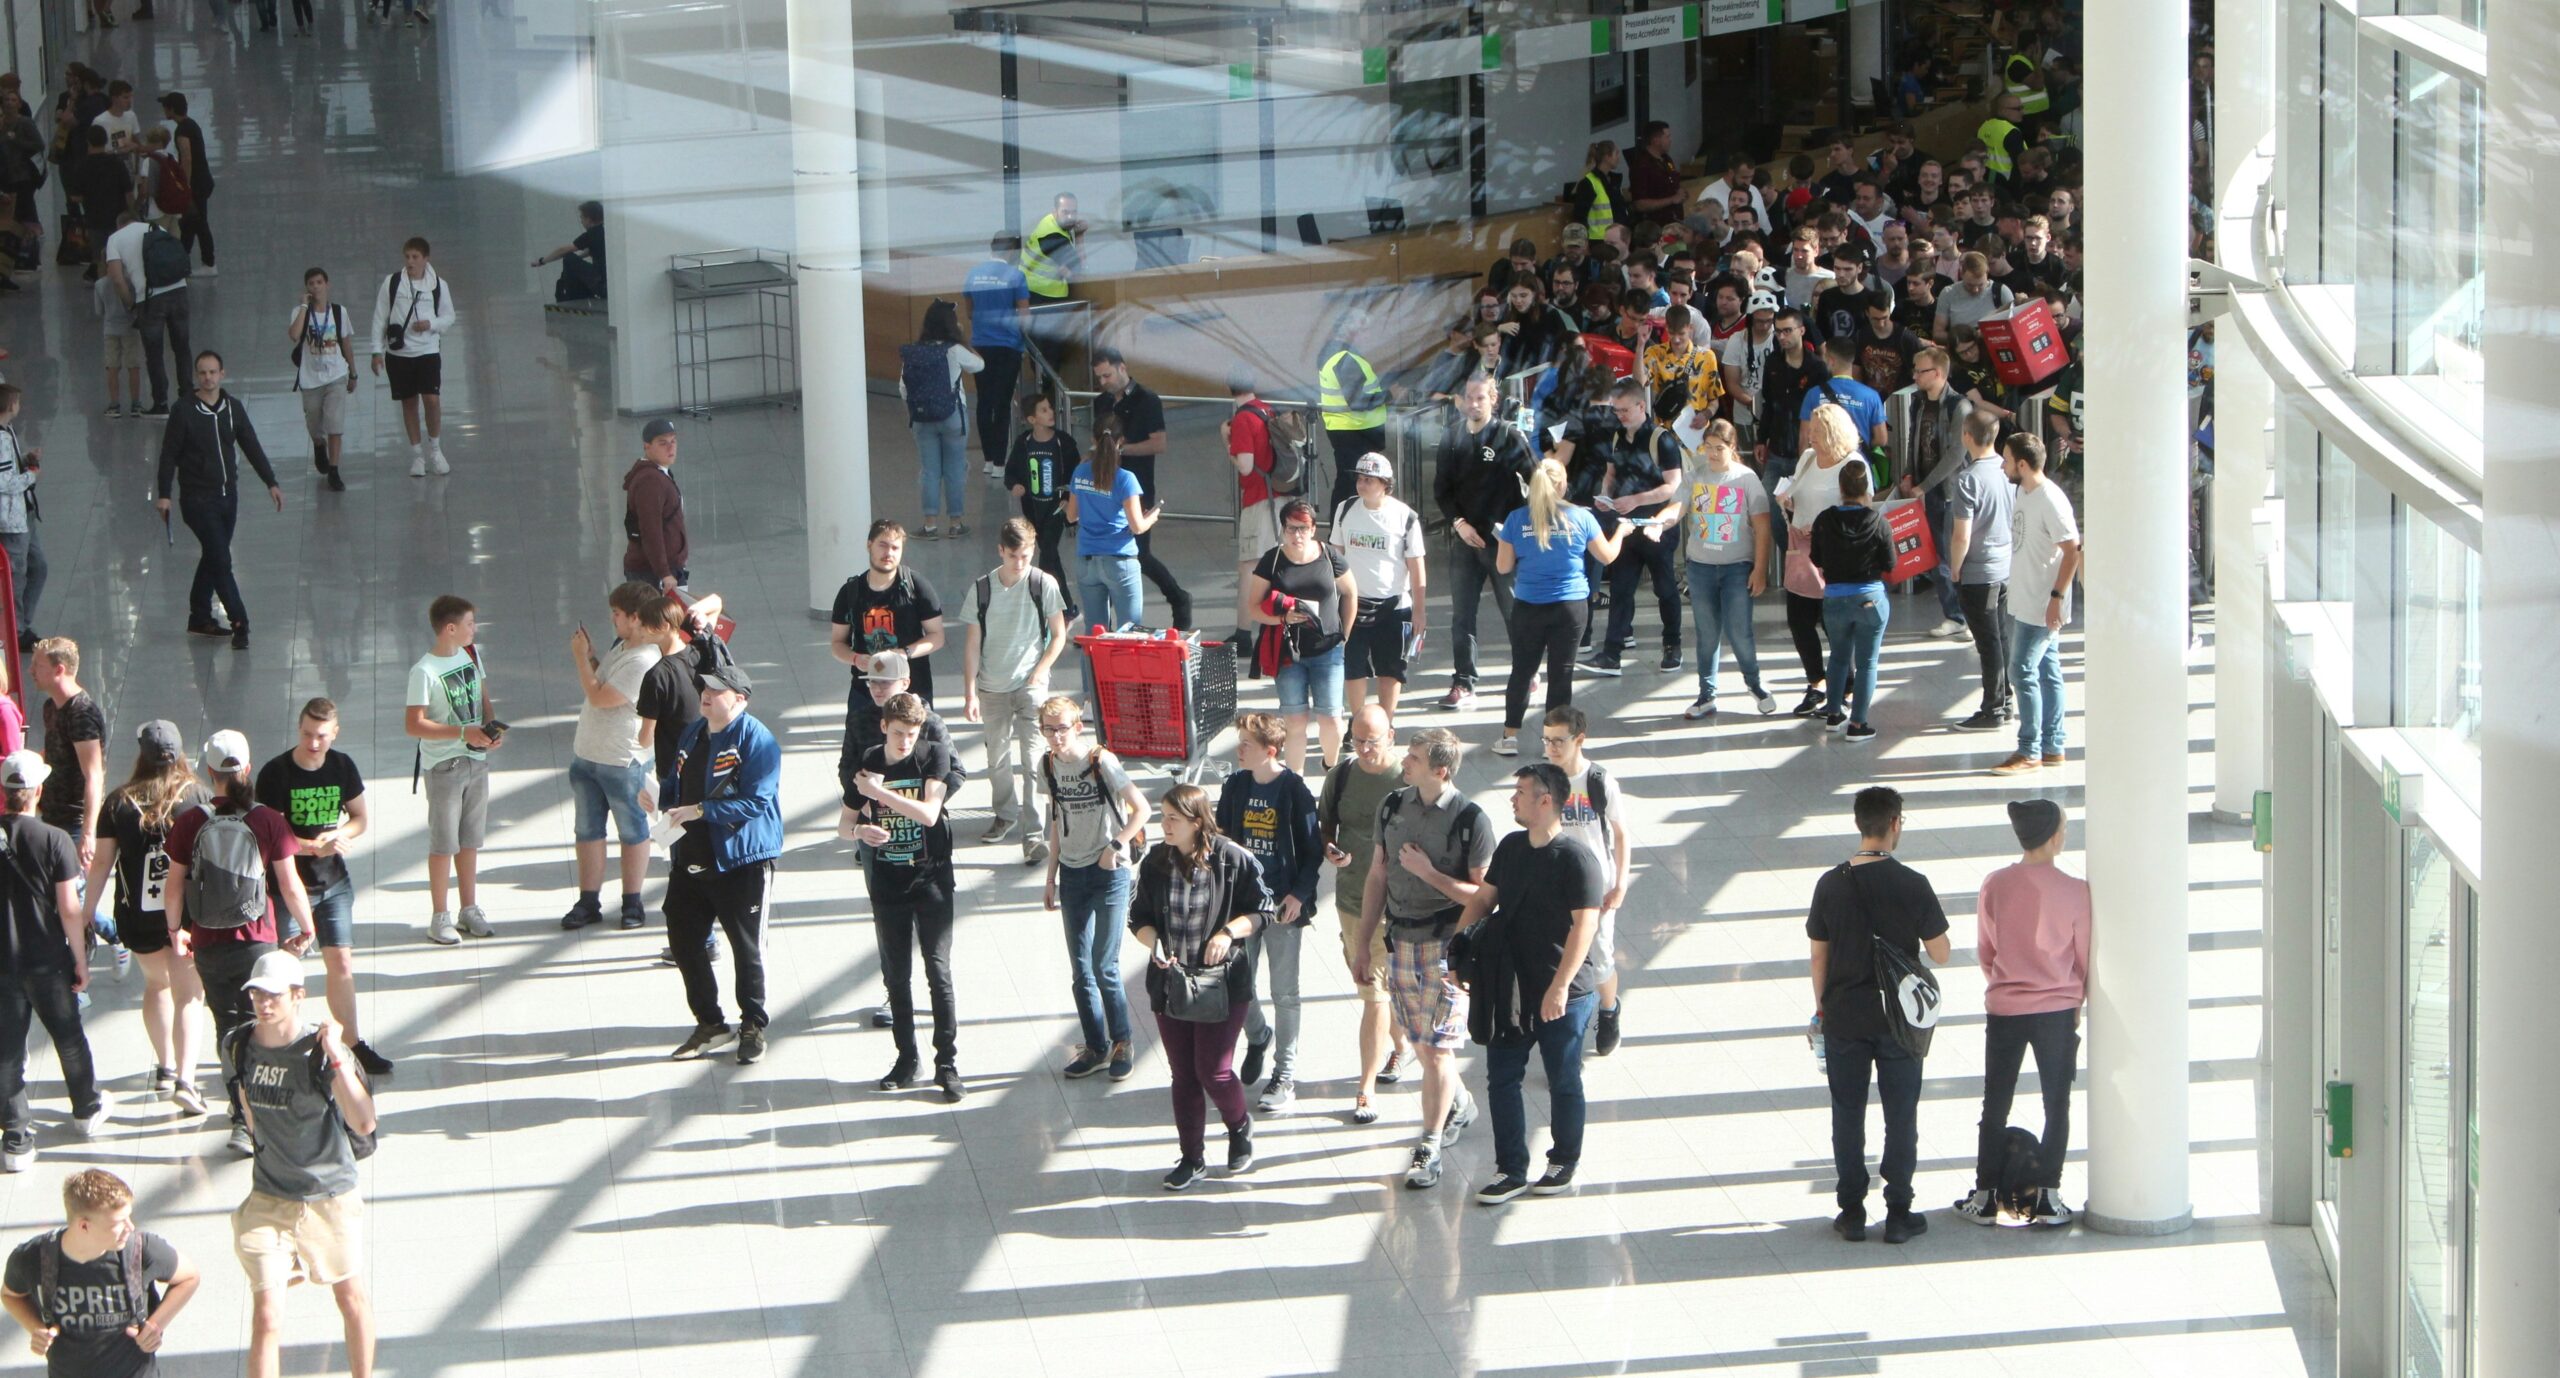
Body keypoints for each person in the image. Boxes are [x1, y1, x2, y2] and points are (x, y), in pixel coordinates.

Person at [1451, 762, 1606, 1205]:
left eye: (1520, 792)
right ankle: (1510, 1169)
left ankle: (1563, 1160)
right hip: (1510, 988)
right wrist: (1459, 948)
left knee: (1563, 1078)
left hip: (1565, 994)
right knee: (1501, 1077)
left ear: (1545, 800)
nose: (1513, 798)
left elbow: (1584, 929)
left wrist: (1559, 988)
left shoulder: (1576, 859)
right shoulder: (1513, 847)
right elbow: (1484, 898)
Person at [1807, 786, 1952, 1244]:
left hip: (1845, 1016)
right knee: (1901, 1113)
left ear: (1858, 825)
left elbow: (1818, 957)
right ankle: (1899, 1211)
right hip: (1898, 1019)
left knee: (1847, 1113)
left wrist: (1821, 1009)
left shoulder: (1830, 883)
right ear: (1895, 824)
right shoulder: (1913, 883)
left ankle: (1851, 1210)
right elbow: (1941, 953)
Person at [226, 951, 377, 1378]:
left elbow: (364, 1121)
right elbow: (247, 1106)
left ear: (298, 996)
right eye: (256, 993)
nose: (263, 1002)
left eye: (274, 994)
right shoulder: (238, 1045)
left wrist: (335, 1053)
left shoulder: (317, 1051)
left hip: (330, 1196)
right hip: (268, 1199)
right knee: (267, 1315)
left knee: (350, 1298)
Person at [165, 731, 313, 1158]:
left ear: (209, 773)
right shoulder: (268, 821)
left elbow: (174, 887)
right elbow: (289, 883)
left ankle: (239, 1118)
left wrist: (177, 930)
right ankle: (274, 1108)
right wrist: (307, 928)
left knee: (229, 1029)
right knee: (268, 1025)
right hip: (258, 942)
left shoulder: (190, 822)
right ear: (247, 769)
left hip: (209, 944)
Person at [1352, 728, 1489, 1186]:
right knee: (1426, 1045)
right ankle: (1459, 1103)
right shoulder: (1393, 805)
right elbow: (1377, 875)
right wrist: (1363, 941)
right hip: (1400, 942)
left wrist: (1429, 874)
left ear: (1440, 770)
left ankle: (1428, 1146)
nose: (1403, 763)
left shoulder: (1471, 819)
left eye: (1412, 758)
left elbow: (1483, 897)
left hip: (1447, 947)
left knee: (1435, 1051)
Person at [1126, 782, 1272, 1191]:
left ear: (1196, 821)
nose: (1164, 825)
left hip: (1222, 983)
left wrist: (1227, 933)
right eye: (1162, 816)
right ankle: (1192, 1157)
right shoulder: (1156, 861)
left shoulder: (1231, 859)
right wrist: (1155, 944)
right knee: (1183, 1074)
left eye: (1173, 818)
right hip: (1172, 982)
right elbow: (1137, 918)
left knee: (1214, 1070)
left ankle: (1239, 1126)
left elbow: (1263, 910)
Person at [1956, 798, 2087, 1228]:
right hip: (2057, 1009)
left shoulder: (1995, 883)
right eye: (2064, 828)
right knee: (2057, 1103)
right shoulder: (2076, 890)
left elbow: (1986, 949)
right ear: (2053, 837)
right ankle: (2048, 1196)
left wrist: (2008, 980)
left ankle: (1984, 1195)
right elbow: (2083, 955)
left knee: (1995, 1103)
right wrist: (2076, 997)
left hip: (2006, 1007)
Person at [252, 702, 390, 1078]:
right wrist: (312, 846)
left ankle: (352, 1043)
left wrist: (338, 834)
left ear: (335, 733)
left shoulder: (341, 766)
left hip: (333, 882)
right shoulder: (276, 774)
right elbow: (272, 835)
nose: (314, 743)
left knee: (341, 962)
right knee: (284, 968)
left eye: (321, 736)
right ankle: (282, 1044)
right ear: (299, 730)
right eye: (307, 734)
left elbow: (359, 818)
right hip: (288, 885)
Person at [660, 663, 782, 1064]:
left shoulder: (756, 740)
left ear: (740, 700)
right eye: (705, 688)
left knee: (747, 949)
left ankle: (753, 1024)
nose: (706, 695)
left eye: (717, 690)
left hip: (740, 861)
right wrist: (661, 802)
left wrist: (700, 810)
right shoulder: (694, 732)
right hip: (692, 857)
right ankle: (710, 1022)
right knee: (683, 939)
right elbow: (676, 781)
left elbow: (756, 802)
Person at [845, 693, 964, 1098]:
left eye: (911, 734)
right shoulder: (870, 763)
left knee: (938, 969)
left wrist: (880, 795)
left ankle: (946, 1062)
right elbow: (844, 824)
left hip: (932, 878)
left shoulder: (932, 755)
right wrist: (861, 832)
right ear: (884, 727)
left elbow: (930, 813)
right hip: (889, 881)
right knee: (897, 975)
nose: (904, 742)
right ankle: (906, 1057)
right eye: (897, 733)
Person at [83, 723, 206, 1111]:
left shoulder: (119, 803)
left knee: (157, 986)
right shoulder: (199, 797)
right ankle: (187, 1078)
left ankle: (165, 1068)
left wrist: (87, 913)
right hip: (187, 914)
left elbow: (102, 862)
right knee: (190, 995)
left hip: (137, 913)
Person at [1036, 696, 1148, 1083]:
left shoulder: (1102, 762)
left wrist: (1115, 847)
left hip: (1111, 873)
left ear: (1077, 726)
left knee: (1105, 965)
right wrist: (1050, 877)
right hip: (1072, 872)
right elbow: (1056, 819)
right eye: (1048, 729)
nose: (1055, 737)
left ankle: (1122, 1042)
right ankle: (1096, 1046)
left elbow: (1142, 809)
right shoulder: (1048, 765)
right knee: (1080, 969)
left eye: (1062, 728)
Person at [1216, 714, 1320, 1114]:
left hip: (1281, 906)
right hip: (1244, 904)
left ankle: (1285, 1073)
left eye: (1246, 744)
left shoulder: (1293, 790)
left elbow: (1312, 850)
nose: (1239, 749)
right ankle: (1259, 1035)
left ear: (1269, 751)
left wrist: (1298, 894)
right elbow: (1223, 835)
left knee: (1285, 992)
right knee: (1236, 983)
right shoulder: (1236, 785)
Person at [0, 751, 98, 1172]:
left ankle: (17, 1137)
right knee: (69, 1036)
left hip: (3, 965)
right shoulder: (55, 839)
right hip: (48, 961)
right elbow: (69, 910)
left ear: (5, 794)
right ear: (38, 791)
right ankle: (85, 1110)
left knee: (5, 1051)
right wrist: (80, 959)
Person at [1492, 459, 1628, 758]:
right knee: (1560, 673)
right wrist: (1621, 532)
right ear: (1563, 484)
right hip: (1570, 607)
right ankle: (1553, 743)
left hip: (1528, 606)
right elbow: (1606, 557)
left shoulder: (1516, 519)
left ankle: (1509, 736)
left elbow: (1503, 567)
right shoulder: (1581, 517)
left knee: (1522, 671)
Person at [1, 1168, 200, 1373]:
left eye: (129, 1217)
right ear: (84, 1226)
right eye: (118, 1222)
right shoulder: (33, 1258)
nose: (130, 1227)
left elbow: (189, 1277)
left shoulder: (141, 1249)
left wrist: (156, 1324)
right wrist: (36, 1328)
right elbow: (10, 1295)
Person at [152, 353, 282, 650]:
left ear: (222, 373)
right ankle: (240, 623)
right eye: (202, 373)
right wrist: (163, 494)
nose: (207, 378)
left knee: (214, 554)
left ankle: (199, 615)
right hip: (197, 499)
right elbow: (168, 454)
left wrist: (270, 482)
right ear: (197, 376)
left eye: (212, 372)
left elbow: (250, 444)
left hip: (227, 496)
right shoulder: (183, 410)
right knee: (221, 559)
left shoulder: (232, 408)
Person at [1316, 706, 1405, 1125]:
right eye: (1358, 741)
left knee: (1375, 992)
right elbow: (1324, 825)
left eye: (1373, 740)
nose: (1366, 749)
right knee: (1379, 987)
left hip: (1398, 906)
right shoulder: (1344, 775)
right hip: (1351, 899)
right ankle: (1402, 1048)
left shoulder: (1408, 778)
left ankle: (1365, 1088)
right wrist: (1330, 849)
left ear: (1391, 736)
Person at [959, 519, 1068, 859]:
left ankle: (1033, 834)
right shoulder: (982, 589)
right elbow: (972, 643)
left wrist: (1040, 671)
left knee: (1033, 759)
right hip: (992, 686)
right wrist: (970, 692)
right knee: (997, 760)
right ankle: (1005, 814)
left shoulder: (1043, 583)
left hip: (1030, 685)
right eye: (1013, 556)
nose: (1020, 563)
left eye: (1026, 555)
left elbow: (1059, 634)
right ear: (1000, 551)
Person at [560, 585, 662, 933]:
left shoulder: (645, 659)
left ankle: (632, 901)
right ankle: (588, 900)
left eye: (617, 614)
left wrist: (577, 658)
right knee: (587, 830)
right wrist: (590, 656)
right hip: (589, 753)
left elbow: (602, 697)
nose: (613, 620)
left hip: (623, 760)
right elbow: (602, 677)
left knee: (633, 831)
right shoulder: (624, 647)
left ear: (636, 618)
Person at [1431, 373, 1535, 711]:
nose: (1474, 404)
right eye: (1469, 398)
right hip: (1466, 538)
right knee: (1462, 613)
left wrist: (1523, 527)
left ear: (1494, 400)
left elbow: (1538, 480)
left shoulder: (1506, 435)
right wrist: (1458, 523)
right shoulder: (1452, 435)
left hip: (1502, 540)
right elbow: (1442, 489)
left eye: (1481, 398)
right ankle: (1463, 682)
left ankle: (1528, 670)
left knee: (1513, 609)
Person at [403, 595, 500, 946]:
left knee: (470, 840)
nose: (475, 629)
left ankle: (469, 907)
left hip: (476, 759)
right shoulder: (424, 671)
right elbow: (414, 724)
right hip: (444, 765)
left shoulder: (471, 655)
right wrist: (462, 733)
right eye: (470, 623)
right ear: (450, 628)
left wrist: (490, 728)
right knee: (444, 842)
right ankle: (439, 915)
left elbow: (483, 695)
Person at [1665, 419, 1776, 719]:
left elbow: (1763, 528)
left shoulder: (1746, 479)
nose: (1712, 454)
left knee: (1740, 631)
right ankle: (1706, 694)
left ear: (1732, 448)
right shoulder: (1695, 476)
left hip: (1736, 567)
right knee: (1706, 633)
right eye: (1708, 448)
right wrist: (1658, 523)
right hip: (1700, 567)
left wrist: (1760, 569)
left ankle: (1754, 684)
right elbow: (1678, 507)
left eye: (1719, 448)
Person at [1538, 708, 1632, 1057]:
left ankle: (1609, 1010)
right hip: (1555, 881)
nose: (1551, 748)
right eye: (1546, 740)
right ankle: (1565, 1024)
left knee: (1601, 957)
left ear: (1579, 739)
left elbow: (1621, 836)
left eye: (1559, 741)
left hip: (1596, 886)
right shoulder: (1543, 778)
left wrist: (1620, 883)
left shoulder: (1599, 781)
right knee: (1558, 955)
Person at [1577, 381, 1683, 677]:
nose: (1619, 416)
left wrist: (1634, 500)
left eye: (1624, 410)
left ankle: (1672, 645)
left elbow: (1672, 486)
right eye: (1616, 410)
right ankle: (1612, 653)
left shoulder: (1661, 439)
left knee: (1664, 588)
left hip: (1655, 525)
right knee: (1622, 588)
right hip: (1625, 525)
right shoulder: (1617, 438)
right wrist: (1606, 496)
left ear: (1641, 407)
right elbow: (1611, 474)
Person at [1244, 501, 1356, 774]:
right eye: (1291, 529)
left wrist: (1345, 636)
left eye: (1303, 529)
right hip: (1288, 652)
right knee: (1295, 722)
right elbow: (1253, 606)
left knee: (1331, 718)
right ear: (1283, 530)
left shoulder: (1330, 556)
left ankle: (1331, 767)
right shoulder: (1272, 560)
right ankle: (1295, 782)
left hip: (1328, 650)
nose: (1297, 535)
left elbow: (1351, 593)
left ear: (1314, 529)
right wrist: (1281, 619)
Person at [1993, 434, 2080, 775]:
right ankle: (2053, 745)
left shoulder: (2051, 500)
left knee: (2021, 670)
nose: (2003, 465)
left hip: (2042, 603)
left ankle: (2029, 749)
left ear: (2023, 465)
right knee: (2046, 670)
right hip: (2025, 597)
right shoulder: (2022, 492)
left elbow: (2073, 549)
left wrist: (2057, 599)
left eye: (2007, 459)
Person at [1775, 404, 1869, 717]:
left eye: (1817, 431)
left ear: (1834, 433)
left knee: (1835, 624)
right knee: (1799, 620)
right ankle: (1816, 682)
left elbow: (1863, 516)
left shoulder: (1853, 465)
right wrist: (1788, 503)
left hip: (1836, 556)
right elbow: (1798, 496)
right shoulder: (1807, 459)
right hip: (1803, 551)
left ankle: (1846, 684)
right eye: (1810, 431)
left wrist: (1823, 527)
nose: (1810, 436)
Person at [1093, 349, 1193, 628]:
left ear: (1122, 368)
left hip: (1137, 484)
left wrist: (1123, 450)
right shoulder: (1102, 402)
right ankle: (1107, 623)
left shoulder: (1146, 400)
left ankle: (1177, 597)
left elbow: (1159, 443)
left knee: (1138, 553)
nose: (1103, 382)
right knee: (1110, 554)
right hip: (1108, 484)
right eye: (1099, 377)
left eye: (1107, 375)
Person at [1329, 454, 1427, 721]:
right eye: (1360, 479)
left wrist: (1419, 612)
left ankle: (1385, 723)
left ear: (1385, 484)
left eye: (1369, 480)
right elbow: (1335, 558)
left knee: (1391, 670)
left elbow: (1417, 567)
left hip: (1393, 606)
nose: (1362, 485)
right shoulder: (1345, 509)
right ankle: (1359, 722)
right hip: (1352, 604)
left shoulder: (1405, 516)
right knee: (1353, 668)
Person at [1809, 459, 1894, 743]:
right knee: (1867, 662)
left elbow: (1816, 558)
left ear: (1841, 488)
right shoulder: (1878, 521)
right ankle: (1858, 724)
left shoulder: (1824, 519)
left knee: (1839, 656)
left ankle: (1833, 714)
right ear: (1867, 488)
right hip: (1869, 598)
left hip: (1834, 599)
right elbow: (1890, 563)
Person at [830, 521, 947, 727]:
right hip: (865, 691)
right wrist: (856, 658)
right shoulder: (850, 592)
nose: (889, 553)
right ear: (869, 545)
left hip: (912, 689)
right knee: (860, 750)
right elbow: (837, 643)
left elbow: (936, 636)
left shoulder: (916, 587)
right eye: (882, 545)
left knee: (915, 748)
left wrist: (904, 653)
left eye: (895, 547)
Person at [1942, 410, 2016, 731]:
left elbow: (1962, 534)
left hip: (1978, 572)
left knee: (1987, 643)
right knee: (2000, 637)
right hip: (2005, 568)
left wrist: (1954, 568)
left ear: (1966, 436)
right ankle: (2006, 699)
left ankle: (1993, 708)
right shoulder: (2007, 471)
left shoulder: (1967, 479)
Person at [370, 237, 456, 478]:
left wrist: (431, 324)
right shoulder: (392, 283)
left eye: (415, 257)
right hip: (399, 354)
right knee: (408, 403)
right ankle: (417, 455)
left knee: (431, 399)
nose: (410, 261)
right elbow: (380, 317)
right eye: (407, 257)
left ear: (425, 259)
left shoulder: (439, 285)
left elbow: (449, 317)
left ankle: (436, 450)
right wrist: (376, 351)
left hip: (428, 351)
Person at [898, 300, 984, 539]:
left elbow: (903, 387)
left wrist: (916, 410)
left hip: (922, 419)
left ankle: (929, 525)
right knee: (955, 469)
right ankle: (956, 523)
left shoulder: (913, 352)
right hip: (953, 416)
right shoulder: (954, 350)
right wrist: (964, 339)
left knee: (929, 470)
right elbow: (979, 365)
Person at [1065, 416, 1159, 631]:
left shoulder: (1080, 472)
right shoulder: (1126, 479)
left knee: (1094, 634)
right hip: (1120, 561)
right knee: (1129, 632)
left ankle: (1090, 667)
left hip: (1086, 560)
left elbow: (1071, 516)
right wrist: (1152, 517)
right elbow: (1137, 527)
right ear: (1121, 441)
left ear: (1093, 439)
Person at [99, 210, 185, 418]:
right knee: (182, 348)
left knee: (154, 352)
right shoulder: (157, 228)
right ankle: (187, 398)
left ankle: (161, 404)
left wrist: (131, 305)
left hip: (150, 299)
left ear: (120, 225)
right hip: (178, 290)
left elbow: (117, 280)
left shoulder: (115, 239)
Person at [1223, 369, 1285, 650]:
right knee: (1281, 563)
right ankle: (1284, 625)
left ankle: (1244, 633)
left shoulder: (1243, 418)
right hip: (1282, 496)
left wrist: (1227, 442)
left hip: (1260, 499)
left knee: (1249, 566)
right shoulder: (1268, 411)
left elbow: (1246, 465)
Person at [32, 642, 104, 875]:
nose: (30, 670)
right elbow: (54, 754)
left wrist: (87, 833)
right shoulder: (51, 707)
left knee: (75, 896)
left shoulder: (81, 714)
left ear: (59, 670)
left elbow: (94, 776)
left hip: (73, 822)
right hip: (52, 815)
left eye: (38, 665)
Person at [1003, 392, 1079, 613]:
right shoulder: (1024, 443)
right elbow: (1011, 472)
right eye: (1043, 410)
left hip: (1057, 508)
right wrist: (1015, 485)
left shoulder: (1063, 442)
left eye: (1050, 408)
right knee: (1049, 554)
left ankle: (1058, 605)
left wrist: (1067, 498)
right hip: (1034, 509)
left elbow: (1075, 473)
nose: (1050, 413)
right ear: (1032, 419)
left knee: (1047, 552)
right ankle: (1061, 604)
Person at [286, 268, 357, 493]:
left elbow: (346, 343)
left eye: (319, 282)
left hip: (336, 374)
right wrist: (304, 307)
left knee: (335, 423)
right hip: (310, 378)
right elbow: (294, 335)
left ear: (327, 284)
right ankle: (318, 444)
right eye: (311, 283)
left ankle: (334, 470)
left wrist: (353, 372)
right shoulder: (300, 312)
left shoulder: (339, 312)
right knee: (314, 422)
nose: (315, 287)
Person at [963, 234, 1028, 478]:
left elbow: (970, 312)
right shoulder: (1016, 276)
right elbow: (1024, 315)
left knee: (984, 402)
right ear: (1012, 252)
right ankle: (1000, 463)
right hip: (1007, 345)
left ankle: (988, 459)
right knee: (1002, 404)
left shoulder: (973, 274)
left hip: (981, 344)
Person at [1315, 331, 1389, 514]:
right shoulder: (1344, 358)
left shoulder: (1338, 356)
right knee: (1353, 486)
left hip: (1350, 430)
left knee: (1351, 484)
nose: (1367, 335)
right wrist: (1386, 394)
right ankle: (1341, 533)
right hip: (1355, 431)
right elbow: (1358, 401)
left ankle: (1341, 532)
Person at [622, 419, 688, 593]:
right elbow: (651, 530)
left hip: (660, 569)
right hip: (652, 574)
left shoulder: (658, 474)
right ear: (647, 446)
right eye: (662, 443)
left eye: (673, 441)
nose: (670, 447)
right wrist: (664, 573)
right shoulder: (650, 481)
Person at [0, 394, 41, 650]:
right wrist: (31, 476)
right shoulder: (1, 439)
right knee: (16, 576)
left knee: (38, 567)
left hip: (23, 514)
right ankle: (15, 631)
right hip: (10, 519)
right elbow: (4, 481)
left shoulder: (8, 431)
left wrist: (24, 460)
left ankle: (20, 625)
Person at [156, 95, 212, 277]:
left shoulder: (182, 131)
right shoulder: (191, 125)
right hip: (203, 180)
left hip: (195, 184)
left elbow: (186, 157)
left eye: (165, 107)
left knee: (198, 222)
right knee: (191, 223)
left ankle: (208, 262)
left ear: (171, 109)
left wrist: (184, 185)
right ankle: (185, 259)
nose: (164, 111)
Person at [530, 200, 606, 302]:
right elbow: (592, 250)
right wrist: (578, 259)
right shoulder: (605, 231)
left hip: (600, 281)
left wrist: (542, 261)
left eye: (582, 218)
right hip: (607, 281)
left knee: (568, 258)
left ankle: (574, 298)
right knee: (573, 261)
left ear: (588, 219)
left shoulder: (592, 234)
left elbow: (563, 250)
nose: (581, 221)